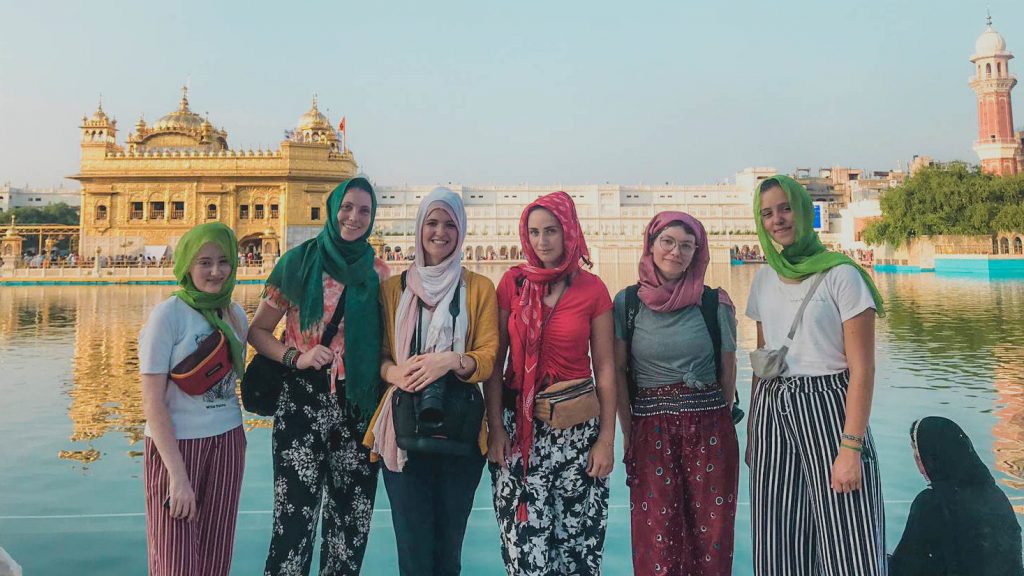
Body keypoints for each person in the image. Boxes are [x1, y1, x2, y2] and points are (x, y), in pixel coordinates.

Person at [746, 175, 888, 575]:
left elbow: (863, 369)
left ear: (804, 210)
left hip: (830, 408)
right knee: (779, 539)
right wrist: (755, 434)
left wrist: (851, 448)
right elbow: (763, 359)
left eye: (785, 208)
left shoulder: (843, 275)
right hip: (774, 409)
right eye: (767, 213)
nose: (777, 220)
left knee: (848, 539)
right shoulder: (763, 279)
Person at [248, 177, 389, 576]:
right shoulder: (298, 262)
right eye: (347, 207)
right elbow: (257, 331)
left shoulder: (378, 272)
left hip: (358, 405)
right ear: (332, 209)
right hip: (301, 401)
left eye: (364, 210)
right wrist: (297, 356)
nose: (354, 217)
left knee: (351, 524)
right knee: (293, 521)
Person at [366, 187, 498, 576]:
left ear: (462, 231)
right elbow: (378, 355)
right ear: (419, 227)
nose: (440, 232)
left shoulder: (478, 288)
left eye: (450, 225)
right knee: (413, 553)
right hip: (404, 428)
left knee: (448, 552)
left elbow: (489, 356)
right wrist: (396, 373)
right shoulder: (393, 289)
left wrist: (449, 361)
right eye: (432, 223)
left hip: (459, 431)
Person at [485, 191, 616, 576]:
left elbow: (606, 369)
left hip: (576, 435)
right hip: (518, 434)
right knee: (525, 551)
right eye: (535, 232)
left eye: (552, 231)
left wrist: (606, 440)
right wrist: (495, 428)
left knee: (575, 551)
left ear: (569, 231)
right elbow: (495, 364)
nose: (542, 241)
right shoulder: (513, 284)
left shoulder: (592, 289)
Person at [614, 211, 740, 575]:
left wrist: (717, 422)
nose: (676, 252)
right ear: (650, 245)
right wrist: (628, 432)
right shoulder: (628, 303)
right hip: (650, 431)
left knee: (712, 537)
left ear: (697, 253)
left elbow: (727, 372)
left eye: (687, 245)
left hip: (709, 430)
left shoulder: (715, 302)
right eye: (667, 242)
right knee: (657, 540)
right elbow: (620, 374)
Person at [137, 222, 248, 576]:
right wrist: (177, 476)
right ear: (187, 264)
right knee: (175, 563)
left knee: (216, 558)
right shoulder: (167, 316)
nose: (216, 271)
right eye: (204, 262)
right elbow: (152, 402)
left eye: (223, 261)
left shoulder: (235, 315)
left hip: (227, 440)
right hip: (177, 448)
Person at [889, 416, 1024, 575]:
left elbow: (907, 568)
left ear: (935, 457)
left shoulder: (932, 503)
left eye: (919, 456)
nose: (918, 464)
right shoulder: (997, 497)